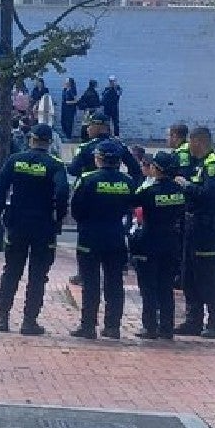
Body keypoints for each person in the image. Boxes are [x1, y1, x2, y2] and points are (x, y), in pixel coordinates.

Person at [0, 123, 68, 335]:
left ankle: (3, 317)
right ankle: (29, 321)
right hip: (43, 225)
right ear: (49, 143)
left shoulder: (15, 160)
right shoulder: (55, 164)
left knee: (11, 270)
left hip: (17, 223)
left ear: (31, 139)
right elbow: (62, 193)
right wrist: (58, 218)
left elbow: (0, 188)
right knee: (38, 275)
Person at [69, 140, 136, 340]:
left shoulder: (87, 179)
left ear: (98, 159)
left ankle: (88, 325)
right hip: (116, 235)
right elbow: (131, 207)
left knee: (90, 283)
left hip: (90, 235)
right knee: (115, 282)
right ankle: (113, 326)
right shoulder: (127, 182)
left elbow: (76, 208)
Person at [174, 126, 215, 338]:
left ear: (199, 141)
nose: (189, 147)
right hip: (192, 225)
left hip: (207, 228)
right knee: (189, 275)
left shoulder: (214, 164)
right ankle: (193, 320)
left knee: (208, 275)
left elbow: (211, 196)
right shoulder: (199, 164)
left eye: (191, 143)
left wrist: (187, 186)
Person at [130, 151, 187, 339]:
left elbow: (131, 201)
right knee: (166, 287)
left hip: (150, 241)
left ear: (157, 169)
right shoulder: (180, 191)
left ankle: (150, 327)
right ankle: (167, 327)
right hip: (172, 242)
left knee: (148, 286)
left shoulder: (149, 192)